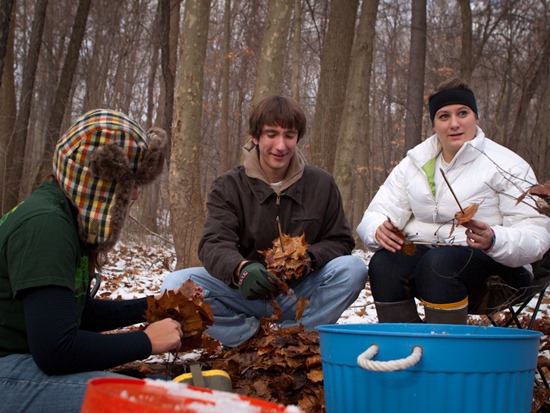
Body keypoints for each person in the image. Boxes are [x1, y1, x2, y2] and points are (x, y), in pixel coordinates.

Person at [0, 109, 185, 412]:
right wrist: (146, 342)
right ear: (94, 178)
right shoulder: (46, 225)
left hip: (21, 360)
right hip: (7, 370)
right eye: (128, 183)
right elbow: (55, 350)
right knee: (155, 402)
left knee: (156, 389)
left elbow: (75, 313)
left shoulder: (61, 214)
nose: (136, 194)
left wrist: (155, 306)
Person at [162, 95, 369, 347]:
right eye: (271, 134)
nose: (280, 145)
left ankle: (296, 335)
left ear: (297, 139)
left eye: (289, 135)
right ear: (255, 136)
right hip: (240, 294)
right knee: (174, 285)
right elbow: (213, 243)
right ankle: (249, 338)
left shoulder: (321, 184)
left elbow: (340, 241)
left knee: (353, 269)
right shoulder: (228, 186)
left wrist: (310, 259)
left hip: (297, 294)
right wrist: (241, 269)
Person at [356, 77, 550, 324]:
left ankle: (446, 354)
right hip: (428, 255)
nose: (454, 124)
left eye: (462, 113)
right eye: (444, 116)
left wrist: (495, 239)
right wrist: (377, 230)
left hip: (498, 267)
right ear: (434, 124)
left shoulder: (506, 164)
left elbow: (536, 236)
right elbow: (376, 213)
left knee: (438, 264)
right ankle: (403, 349)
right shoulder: (415, 163)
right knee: (385, 263)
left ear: (476, 117)